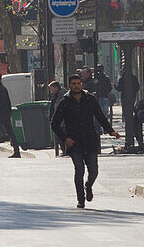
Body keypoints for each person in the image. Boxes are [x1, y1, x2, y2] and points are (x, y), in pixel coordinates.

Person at [50, 73, 120, 208]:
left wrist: (111, 131)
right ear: (69, 85)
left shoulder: (90, 99)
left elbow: (100, 116)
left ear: (81, 84)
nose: (76, 86)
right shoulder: (64, 102)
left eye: (78, 83)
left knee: (93, 170)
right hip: (74, 142)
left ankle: (88, 185)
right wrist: (65, 138)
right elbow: (54, 123)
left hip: (90, 140)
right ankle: (80, 199)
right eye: (74, 84)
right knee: (79, 169)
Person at [117, 65, 143, 148]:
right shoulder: (134, 78)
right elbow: (137, 87)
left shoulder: (122, 78)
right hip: (132, 98)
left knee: (127, 116)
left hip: (125, 98)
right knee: (131, 114)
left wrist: (114, 86)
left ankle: (129, 136)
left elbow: (119, 88)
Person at [47, 80, 65, 156]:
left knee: (62, 135)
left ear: (56, 88)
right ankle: (64, 150)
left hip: (62, 119)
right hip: (57, 119)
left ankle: (65, 150)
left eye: (51, 89)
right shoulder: (55, 95)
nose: (51, 91)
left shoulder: (61, 95)